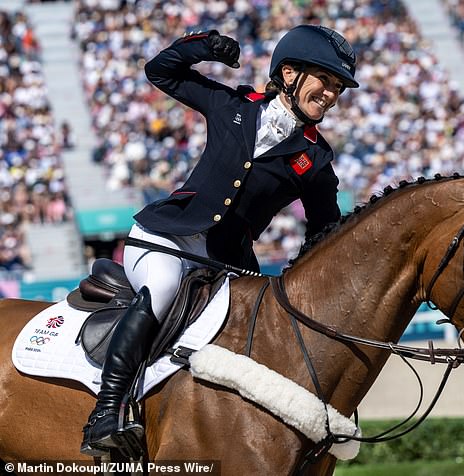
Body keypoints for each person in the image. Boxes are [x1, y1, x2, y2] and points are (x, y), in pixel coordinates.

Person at [80, 25, 359, 456]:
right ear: (289, 74)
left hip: (227, 262)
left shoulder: (316, 157)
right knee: (163, 291)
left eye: (338, 87)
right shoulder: (232, 105)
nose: (331, 94)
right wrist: (203, 46)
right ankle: (105, 412)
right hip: (164, 238)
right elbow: (162, 72)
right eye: (326, 80)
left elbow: (324, 229)